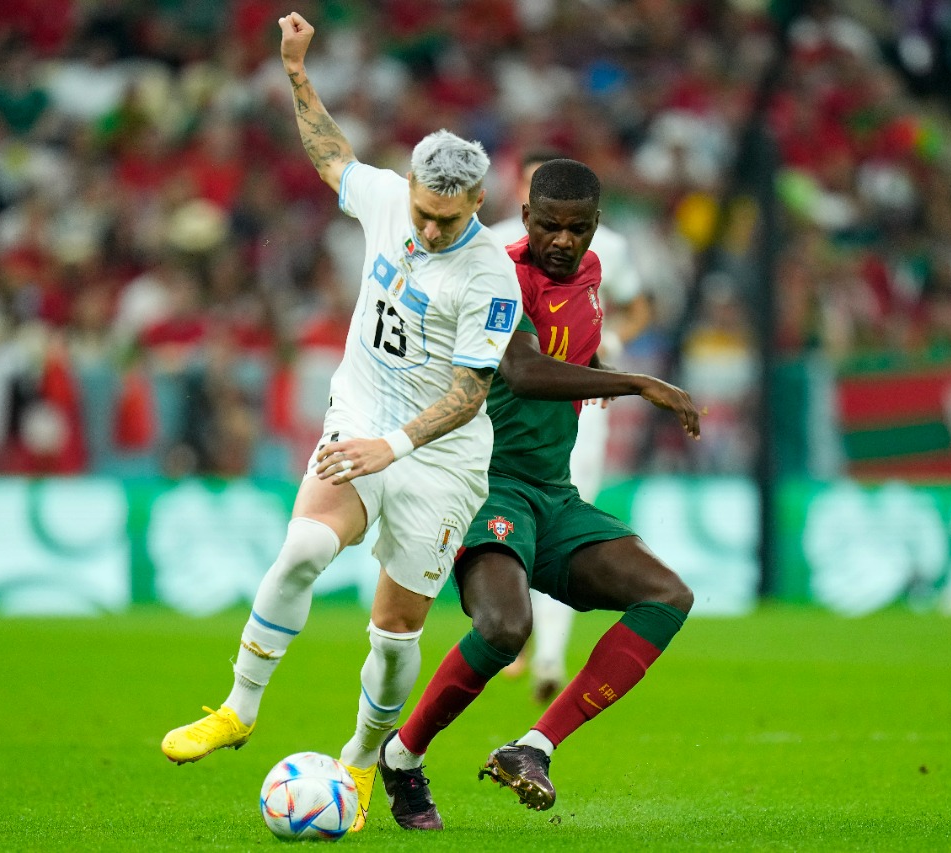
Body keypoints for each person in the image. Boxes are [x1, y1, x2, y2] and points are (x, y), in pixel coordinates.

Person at [160, 11, 523, 835]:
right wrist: (296, 71)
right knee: (302, 548)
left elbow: (469, 393)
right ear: (413, 186)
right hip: (359, 414)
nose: (428, 228)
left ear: (477, 201)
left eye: (447, 218)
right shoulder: (390, 199)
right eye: (423, 211)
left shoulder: (489, 277)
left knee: (394, 633)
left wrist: (388, 449)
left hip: (439, 459)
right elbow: (331, 155)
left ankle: (360, 759)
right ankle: (238, 707)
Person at [374, 159, 699, 830]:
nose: (562, 240)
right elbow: (522, 371)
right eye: (549, 225)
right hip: (485, 484)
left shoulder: (593, 275)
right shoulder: (498, 275)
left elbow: (570, 346)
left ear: (595, 227)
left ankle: (533, 747)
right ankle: (402, 757)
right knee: (504, 627)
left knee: (667, 596)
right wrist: (638, 382)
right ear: (526, 218)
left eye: (577, 229)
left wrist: (597, 363)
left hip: (553, 492)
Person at [488, 149, 653, 702]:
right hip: (508, 416)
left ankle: (548, 656)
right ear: (524, 199)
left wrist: (609, 346)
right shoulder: (496, 248)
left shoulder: (607, 251)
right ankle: (514, 629)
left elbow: (636, 306)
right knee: (519, 522)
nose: (563, 234)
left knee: (561, 517)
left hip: (579, 405)